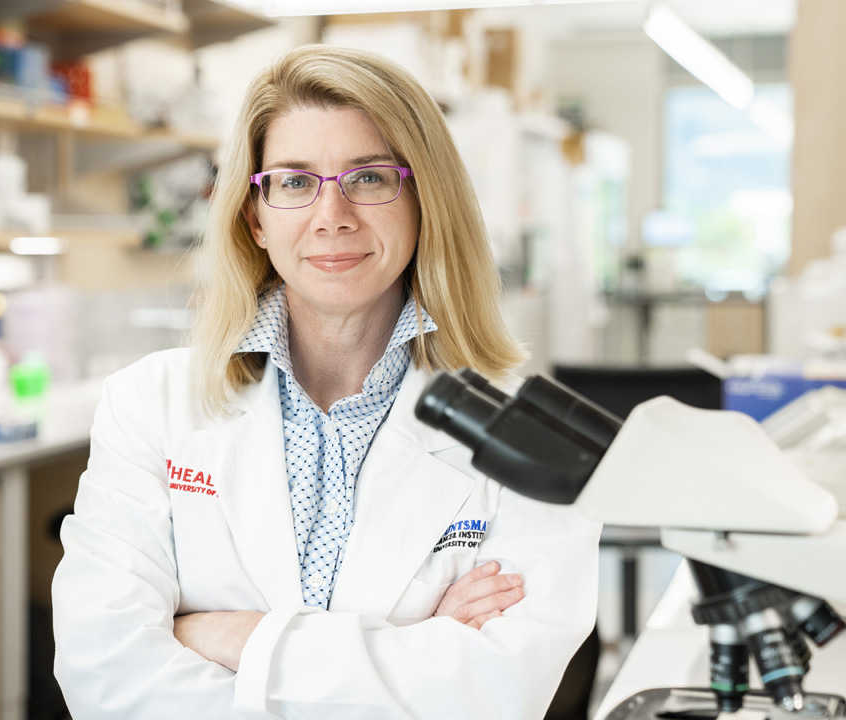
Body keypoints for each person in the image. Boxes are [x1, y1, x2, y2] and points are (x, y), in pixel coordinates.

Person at [53, 44, 601, 719]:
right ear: (256, 217)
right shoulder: (150, 405)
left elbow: (497, 691)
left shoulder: (530, 434)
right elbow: (107, 676)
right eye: (293, 181)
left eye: (369, 178)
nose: (331, 215)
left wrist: (227, 635)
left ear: (425, 201)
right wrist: (414, 647)